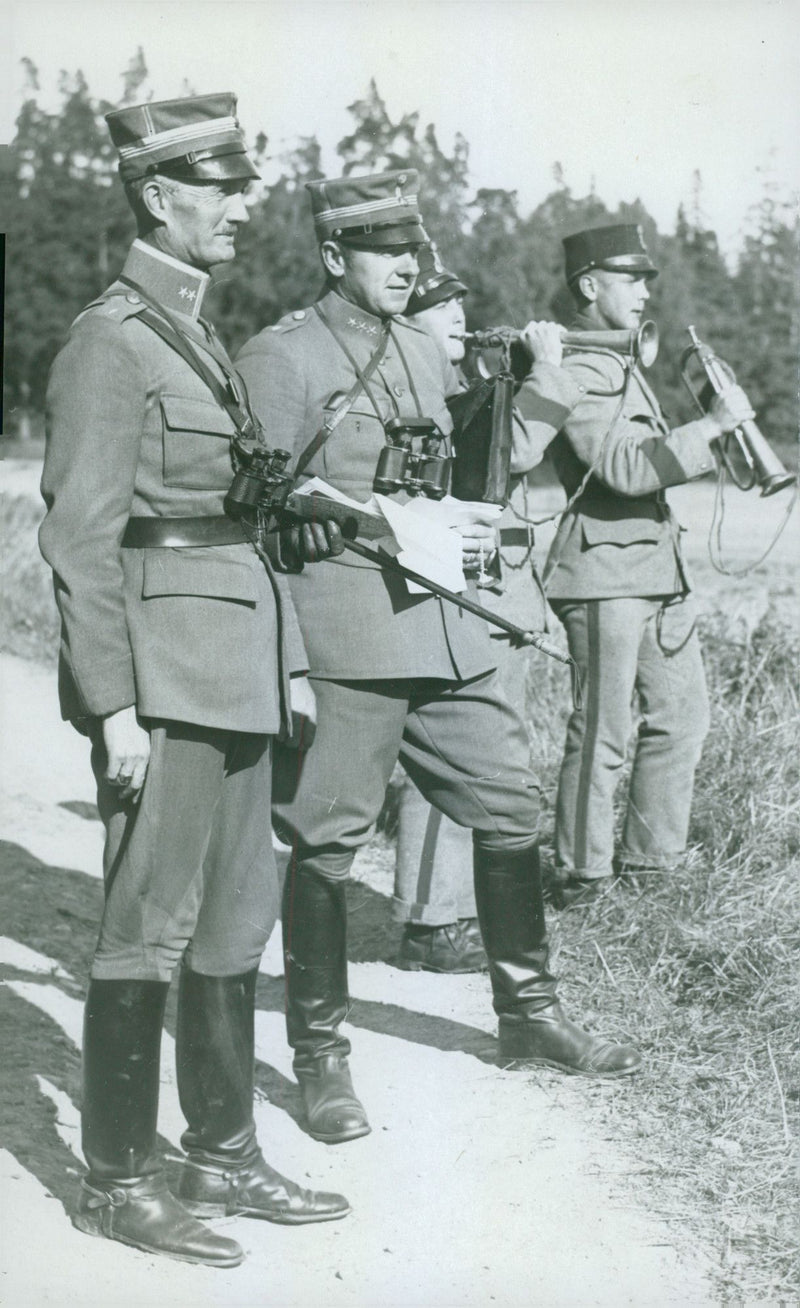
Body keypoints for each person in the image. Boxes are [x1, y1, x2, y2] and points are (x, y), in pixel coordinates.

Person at [236, 171, 641, 1148]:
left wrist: (525, 394)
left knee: (506, 804)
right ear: (334, 257)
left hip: (443, 628)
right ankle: (322, 1059)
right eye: (383, 251)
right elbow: (249, 518)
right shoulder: (280, 355)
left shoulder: (423, 346)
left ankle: (526, 1016)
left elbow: (466, 484)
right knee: (327, 841)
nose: (404, 265)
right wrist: (285, 658)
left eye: (411, 250)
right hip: (348, 637)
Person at [39, 93, 349, 1269]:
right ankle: (118, 1176)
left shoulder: (194, 331)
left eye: (238, 185)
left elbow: (235, 519)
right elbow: (80, 540)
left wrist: (294, 664)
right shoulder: (110, 342)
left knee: (231, 926)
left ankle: (219, 1149)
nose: (239, 205)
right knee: (144, 930)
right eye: (219, 189)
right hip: (164, 683)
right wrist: (110, 706)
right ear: (160, 198)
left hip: (239, 670)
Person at [543, 223, 755, 906]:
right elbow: (625, 468)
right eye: (631, 279)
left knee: (682, 717)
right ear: (589, 285)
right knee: (602, 730)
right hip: (604, 577)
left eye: (646, 281)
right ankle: (582, 877)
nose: (643, 292)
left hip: (653, 576)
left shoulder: (621, 364)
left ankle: (653, 867)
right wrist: (715, 427)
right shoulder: (579, 369)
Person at [393, 244, 580, 972]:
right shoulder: (423, 383)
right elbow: (515, 452)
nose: (461, 319)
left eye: (461, 305)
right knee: (454, 759)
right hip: (462, 592)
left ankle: (449, 911)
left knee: (478, 761)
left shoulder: (455, 375)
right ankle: (432, 920)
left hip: (492, 591)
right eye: (443, 308)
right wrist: (551, 368)